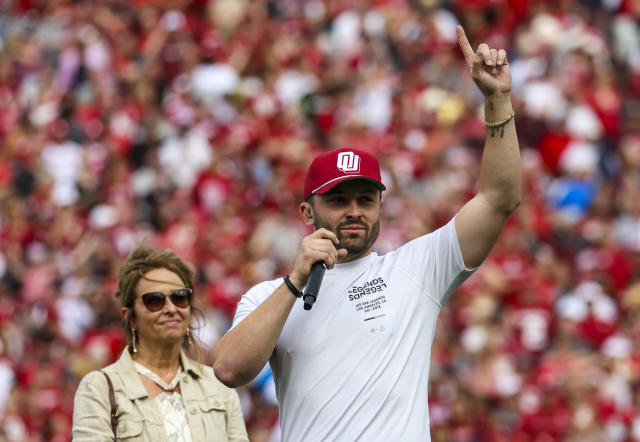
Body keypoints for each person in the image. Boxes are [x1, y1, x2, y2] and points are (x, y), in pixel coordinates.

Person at [212, 25, 521, 441]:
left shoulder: (417, 269)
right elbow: (230, 369)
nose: (354, 212)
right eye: (338, 201)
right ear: (308, 211)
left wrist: (497, 102)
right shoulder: (268, 297)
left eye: (365, 199)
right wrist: (294, 283)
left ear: (381, 206)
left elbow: (499, 198)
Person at [73, 246, 248, 441]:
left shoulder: (218, 386)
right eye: (154, 300)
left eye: (180, 297)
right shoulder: (100, 388)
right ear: (130, 317)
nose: (171, 308)